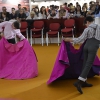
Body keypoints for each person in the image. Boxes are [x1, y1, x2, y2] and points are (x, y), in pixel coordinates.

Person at [64, 16, 100, 94]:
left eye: (85, 24)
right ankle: (79, 81)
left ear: (87, 22)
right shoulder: (99, 27)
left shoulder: (87, 29)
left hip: (86, 46)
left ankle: (84, 81)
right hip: (93, 47)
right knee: (89, 64)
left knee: (85, 63)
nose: (86, 25)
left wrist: (69, 39)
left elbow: (79, 40)